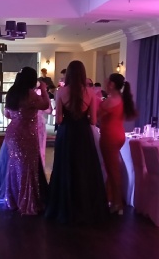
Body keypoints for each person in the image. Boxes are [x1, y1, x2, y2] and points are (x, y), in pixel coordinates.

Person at [45, 60, 108, 224]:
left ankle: (65, 205)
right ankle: (84, 205)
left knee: (65, 166)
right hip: (83, 133)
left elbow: (59, 119)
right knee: (84, 168)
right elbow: (93, 120)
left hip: (66, 133)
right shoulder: (90, 92)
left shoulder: (61, 91)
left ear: (69, 74)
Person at [4, 67, 50, 215]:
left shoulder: (12, 92)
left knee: (14, 165)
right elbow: (45, 105)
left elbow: (7, 114)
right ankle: (26, 201)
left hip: (12, 132)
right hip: (26, 132)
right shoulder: (30, 94)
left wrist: (19, 115)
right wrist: (43, 90)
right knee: (27, 166)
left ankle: (14, 199)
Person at [99, 73, 137, 214]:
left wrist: (95, 99)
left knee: (112, 170)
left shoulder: (111, 100)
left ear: (112, 84)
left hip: (110, 136)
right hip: (118, 134)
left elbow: (96, 116)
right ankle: (110, 199)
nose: (105, 83)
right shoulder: (120, 98)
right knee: (111, 169)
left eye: (108, 81)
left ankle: (117, 204)